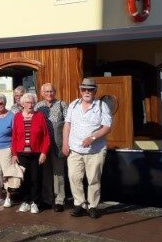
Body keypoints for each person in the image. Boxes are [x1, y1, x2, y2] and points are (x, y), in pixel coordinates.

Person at [63, 78, 112, 219]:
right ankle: (79, 204)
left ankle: (93, 206)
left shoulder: (102, 106)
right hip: (75, 149)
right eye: (84, 89)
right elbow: (67, 125)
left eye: (90, 89)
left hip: (95, 150)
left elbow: (107, 127)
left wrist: (93, 138)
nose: (87, 92)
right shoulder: (73, 105)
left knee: (93, 179)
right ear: (80, 90)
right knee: (74, 177)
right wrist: (65, 144)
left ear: (95, 91)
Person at [11, 93, 50, 214]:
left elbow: (46, 137)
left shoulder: (40, 116)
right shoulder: (17, 116)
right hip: (21, 153)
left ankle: (35, 202)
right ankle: (25, 201)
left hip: (36, 153)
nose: (30, 104)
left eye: (32, 102)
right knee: (24, 179)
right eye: (27, 102)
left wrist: (44, 152)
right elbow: (14, 137)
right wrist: (14, 154)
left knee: (36, 179)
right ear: (22, 104)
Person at [36, 83, 68, 212]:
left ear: (55, 92)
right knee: (46, 173)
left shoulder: (62, 104)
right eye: (47, 92)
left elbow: (69, 124)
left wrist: (67, 142)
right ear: (42, 93)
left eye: (52, 91)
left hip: (57, 144)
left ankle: (59, 200)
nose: (49, 94)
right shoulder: (38, 106)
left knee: (58, 172)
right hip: (43, 145)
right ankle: (47, 199)